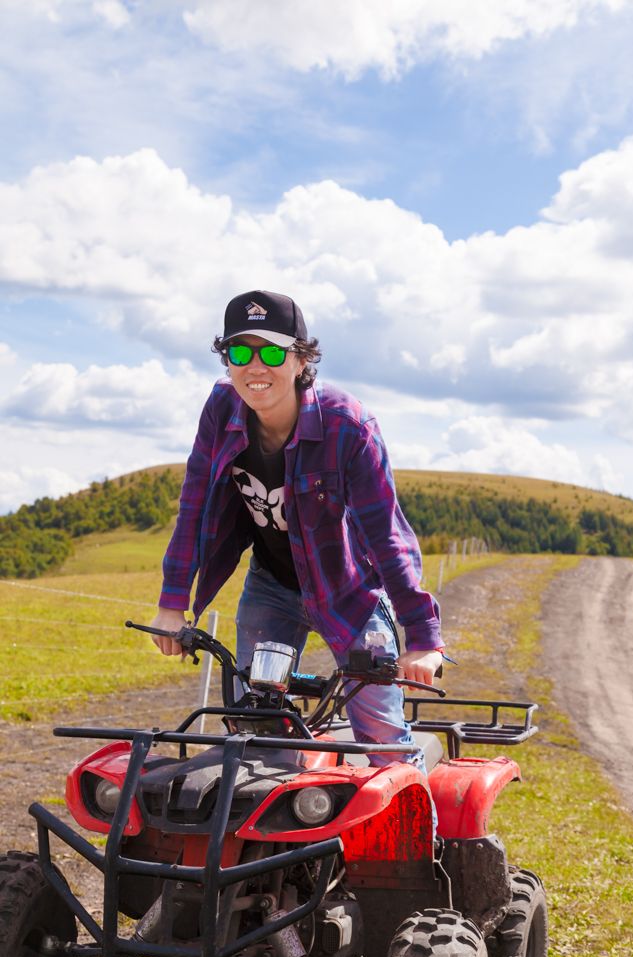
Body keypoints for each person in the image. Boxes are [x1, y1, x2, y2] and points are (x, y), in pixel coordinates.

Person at [150, 289, 445, 771]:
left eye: (271, 351)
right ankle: (278, 843)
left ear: (301, 359)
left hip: (348, 593)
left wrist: (424, 640)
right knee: (256, 734)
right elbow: (195, 504)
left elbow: (386, 533)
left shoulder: (348, 425)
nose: (255, 367)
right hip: (271, 586)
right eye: (239, 352)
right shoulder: (222, 409)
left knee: (383, 743)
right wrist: (171, 605)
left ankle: (412, 843)